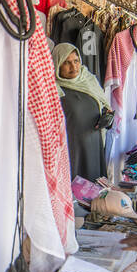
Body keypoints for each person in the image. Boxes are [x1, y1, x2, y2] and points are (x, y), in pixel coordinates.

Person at [53, 43, 112, 182]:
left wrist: (108, 117)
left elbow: (104, 105)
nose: (73, 67)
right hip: (73, 154)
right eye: (66, 63)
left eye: (76, 61)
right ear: (57, 64)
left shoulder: (88, 80)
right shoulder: (54, 90)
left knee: (95, 189)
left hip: (94, 149)